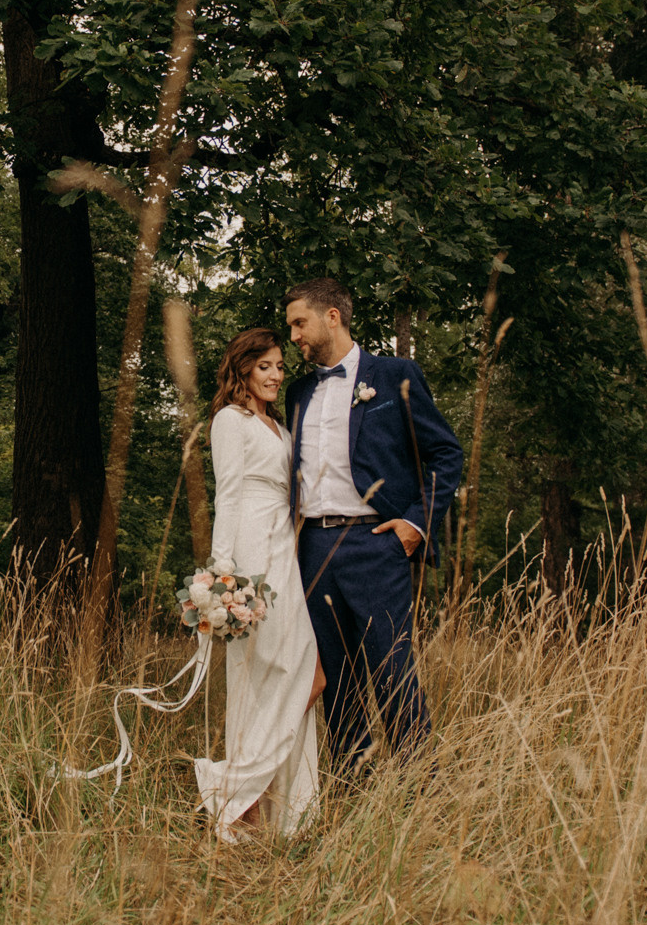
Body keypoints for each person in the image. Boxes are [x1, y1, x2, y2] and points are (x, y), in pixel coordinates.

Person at [282, 278, 464, 764]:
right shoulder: (298, 392)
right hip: (314, 548)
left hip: (376, 542)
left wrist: (415, 524)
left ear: (332, 317)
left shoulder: (394, 374)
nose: (295, 335)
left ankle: (418, 784)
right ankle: (349, 783)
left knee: (391, 666)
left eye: (300, 323)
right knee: (334, 673)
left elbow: (445, 453)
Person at [193, 327, 325, 840]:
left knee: (302, 672)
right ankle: (236, 797)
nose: (273, 376)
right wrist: (223, 575)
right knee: (269, 669)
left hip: (284, 547)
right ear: (243, 368)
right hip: (250, 549)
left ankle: (276, 808)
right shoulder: (231, 420)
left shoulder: (278, 426)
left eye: (278, 367)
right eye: (264, 366)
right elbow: (227, 495)